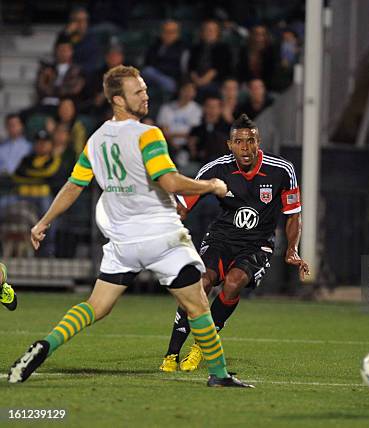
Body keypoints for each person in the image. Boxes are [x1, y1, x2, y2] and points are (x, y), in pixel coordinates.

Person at [8, 65, 252, 388]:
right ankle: (219, 375)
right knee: (197, 305)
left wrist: (43, 222)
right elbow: (168, 180)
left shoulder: (95, 141)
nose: (146, 95)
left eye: (146, 89)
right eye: (139, 92)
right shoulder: (147, 134)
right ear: (119, 100)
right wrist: (210, 186)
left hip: (123, 242)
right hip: (161, 238)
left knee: (96, 306)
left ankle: (44, 345)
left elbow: (72, 186)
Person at [160, 114, 309, 372]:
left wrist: (292, 249)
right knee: (201, 283)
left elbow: (293, 213)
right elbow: (183, 206)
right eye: (238, 141)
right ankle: (171, 354)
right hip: (221, 237)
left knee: (233, 282)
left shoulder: (282, 170)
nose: (245, 147)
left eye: (250, 141)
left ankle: (200, 348)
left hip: (257, 244)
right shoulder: (216, 169)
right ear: (230, 145)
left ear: (258, 142)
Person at [156, 82, 201, 168]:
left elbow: (193, 133)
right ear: (180, 91)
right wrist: (174, 143)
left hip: (188, 145)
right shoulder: (166, 108)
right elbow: (165, 132)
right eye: (186, 90)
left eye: (191, 91)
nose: (188, 93)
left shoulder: (197, 109)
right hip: (168, 145)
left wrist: (176, 136)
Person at [187, 20, 233, 100]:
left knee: (204, 90)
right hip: (195, 79)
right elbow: (191, 67)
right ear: (202, 33)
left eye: (212, 30)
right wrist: (196, 79)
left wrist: (202, 81)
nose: (209, 33)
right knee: (186, 89)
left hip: (216, 80)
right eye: (206, 30)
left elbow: (219, 69)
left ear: (217, 33)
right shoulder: (195, 48)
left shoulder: (223, 48)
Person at [141, 20, 188, 95]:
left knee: (149, 72)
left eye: (172, 32)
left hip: (171, 80)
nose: (168, 35)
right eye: (166, 31)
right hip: (153, 76)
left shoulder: (182, 48)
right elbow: (148, 62)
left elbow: (179, 69)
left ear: (178, 34)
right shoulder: (155, 46)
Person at [187, 96, 231, 164]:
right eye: (209, 106)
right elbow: (192, 150)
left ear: (220, 109)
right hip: (201, 163)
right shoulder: (196, 129)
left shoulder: (227, 128)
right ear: (204, 108)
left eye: (214, 107)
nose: (211, 110)